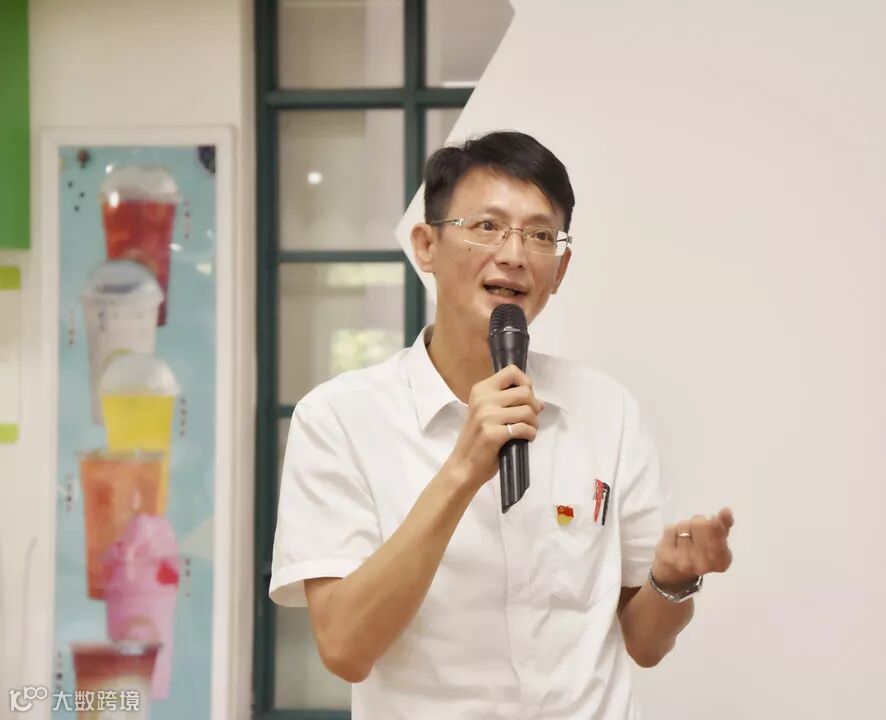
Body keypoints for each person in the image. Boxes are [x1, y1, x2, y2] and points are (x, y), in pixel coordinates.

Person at [269, 130, 735, 719]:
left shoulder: (607, 411)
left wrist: (672, 581)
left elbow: (644, 644)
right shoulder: (339, 419)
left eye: (540, 235)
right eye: (487, 226)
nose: (514, 254)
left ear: (560, 269)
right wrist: (462, 469)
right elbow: (345, 649)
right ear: (426, 245)